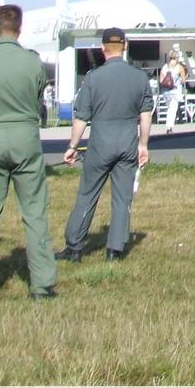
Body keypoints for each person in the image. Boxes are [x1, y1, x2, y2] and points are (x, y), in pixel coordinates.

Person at [0, 4, 57, 303]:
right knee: (34, 212)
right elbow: (39, 95)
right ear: (19, 28)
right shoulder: (32, 62)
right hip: (26, 139)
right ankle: (42, 285)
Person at [60, 28, 153, 262]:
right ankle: (115, 249)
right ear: (125, 47)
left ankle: (74, 247)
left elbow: (81, 117)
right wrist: (143, 144)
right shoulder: (139, 78)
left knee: (88, 193)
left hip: (100, 140)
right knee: (122, 198)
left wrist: (72, 145)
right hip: (127, 140)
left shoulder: (93, 77)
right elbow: (146, 114)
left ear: (102, 49)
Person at [158, 47, 187, 134]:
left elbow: (161, 81)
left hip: (166, 91)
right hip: (175, 91)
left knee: (169, 108)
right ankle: (169, 127)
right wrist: (184, 78)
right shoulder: (179, 67)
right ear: (177, 58)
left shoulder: (164, 67)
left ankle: (169, 125)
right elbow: (183, 80)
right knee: (172, 109)